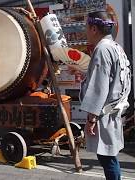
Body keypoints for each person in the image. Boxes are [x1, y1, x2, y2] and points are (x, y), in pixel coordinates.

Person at [80, 11, 131, 180]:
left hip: (104, 113)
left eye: (86, 27)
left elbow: (99, 88)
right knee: (109, 156)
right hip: (114, 109)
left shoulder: (102, 49)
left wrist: (91, 119)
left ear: (94, 29)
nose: (85, 31)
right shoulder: (116, 47)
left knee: (107, 158)